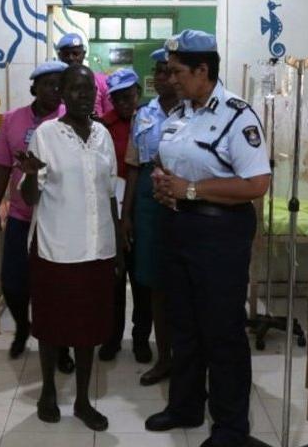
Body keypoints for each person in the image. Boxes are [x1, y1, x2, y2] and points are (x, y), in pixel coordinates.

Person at [144, 30, 271, 447]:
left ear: (203, 70)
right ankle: (185, 405)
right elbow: (170, 162)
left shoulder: (238, 116)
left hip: (220, 234)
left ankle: (231, 427)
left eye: (177, 72)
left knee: (222, 330)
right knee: (183, 324)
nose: (170, 79)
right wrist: (164, 182)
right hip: (178, 228)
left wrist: (192, 190)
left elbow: (256, 183)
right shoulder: (179, 115)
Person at [18, 64, 119, 431]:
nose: (84, 96)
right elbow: (30, 197)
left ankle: (82, 400)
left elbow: (110, 193)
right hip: (56, 248)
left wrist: (118, 246)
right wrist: (31, 174)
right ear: (62, 93)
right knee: (51, 324)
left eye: (89, 89)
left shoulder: (103, 135)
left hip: (97, 248)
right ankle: (47, 391)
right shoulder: (46, 135)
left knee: (89, 329)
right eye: (76, 89)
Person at [0, 60, 76, 371]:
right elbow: (0, 167)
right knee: (13, 284)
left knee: (57, 289)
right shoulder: (13, 120)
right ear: (35, 87)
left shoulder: (69, 120)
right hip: (21, 216)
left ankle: (62, 347)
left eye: (60, 85)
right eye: (49, 84)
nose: (55, 90)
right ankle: (23, 327)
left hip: (57, 219)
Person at [121, 48, 180, 386]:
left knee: (182, 280)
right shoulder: (143, 114)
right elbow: (132, 166)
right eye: (157, 71)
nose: (160, 77)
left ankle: (185, 355)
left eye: (166, 71)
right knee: (154, 281)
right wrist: (126, 215)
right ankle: (164, 357)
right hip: (147, 198)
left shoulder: (194, 112)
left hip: (184, 194)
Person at [98, 68, 152, 364]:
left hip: (142, 210)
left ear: (137, 94)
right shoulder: (102, 126)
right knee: (113, 281)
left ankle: (141, 339)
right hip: (109, 209)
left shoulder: (150, 120)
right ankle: (112, 338)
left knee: (142, 280)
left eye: (128, 97)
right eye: (117, 98)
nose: (123, 103)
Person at [55, 32, 113, 116]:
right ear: (60, 56)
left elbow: (110, 114)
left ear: (84, 54)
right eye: (66, 54)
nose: (71, 58)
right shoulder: (56, 82)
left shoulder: (102, 81)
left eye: (75, 53)